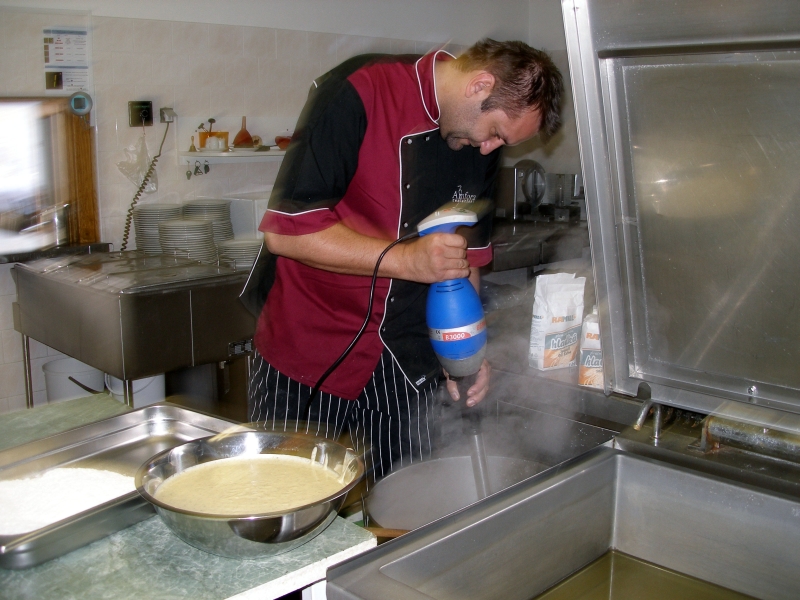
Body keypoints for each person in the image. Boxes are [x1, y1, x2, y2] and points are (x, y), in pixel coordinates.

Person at [247, 38, 563, 483]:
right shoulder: (358, 90)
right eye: (495, 131)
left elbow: (465, 261)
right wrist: (407, 261)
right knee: (289, 498)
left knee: (404, 507)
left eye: (502, 142)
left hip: (407, 364)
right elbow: (287, 232)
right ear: (479, 85)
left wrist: (463, 355)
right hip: (310, 353)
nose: (490, 149)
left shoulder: (481, 145)